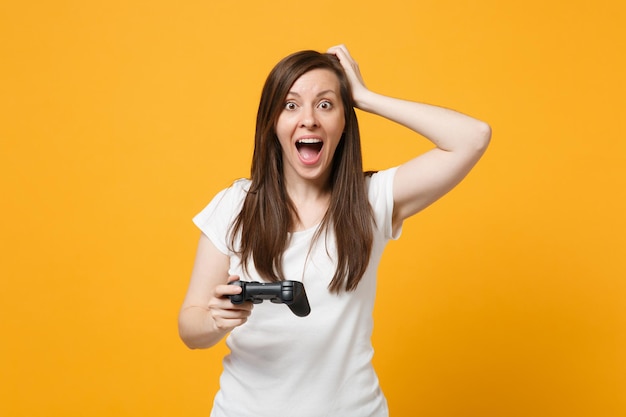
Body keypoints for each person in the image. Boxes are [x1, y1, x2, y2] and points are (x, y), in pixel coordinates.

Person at [178, 44, 491, 417]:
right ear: (272, 123)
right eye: (291, 105)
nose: (308, 119)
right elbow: (190, 326)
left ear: (345, 121)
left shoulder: (372, 200)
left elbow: (472, 137)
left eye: (325, 104)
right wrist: (215, 321)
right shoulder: (237, 205)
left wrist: (365, 96)